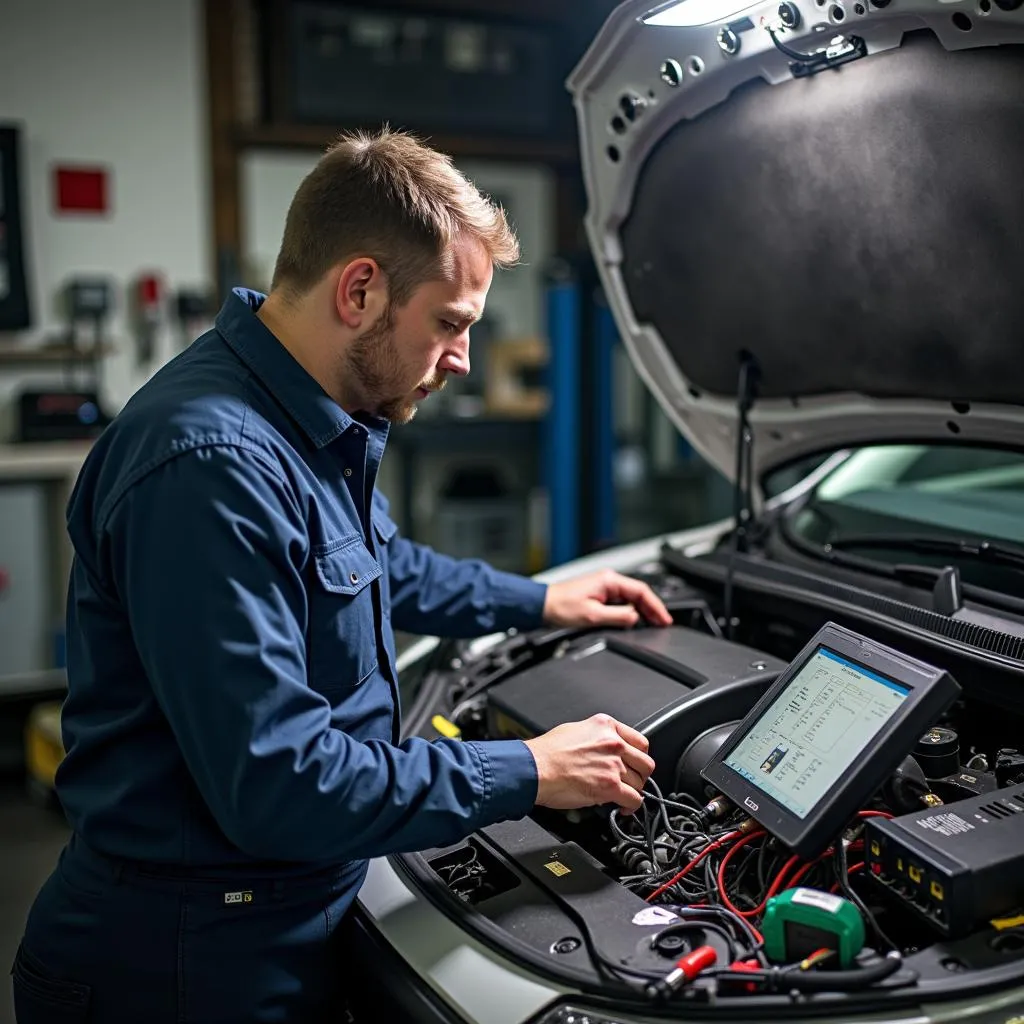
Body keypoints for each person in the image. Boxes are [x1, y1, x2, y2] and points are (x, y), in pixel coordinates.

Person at [10, 127, 672, 1024]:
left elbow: (374, 567)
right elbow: (279, 786)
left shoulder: (309, 418)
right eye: (450, 323)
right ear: (360, 289)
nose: (463, 360)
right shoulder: (211, 463)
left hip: (273, 922)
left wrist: (539, 599)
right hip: (186, 966)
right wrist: (525, 769)